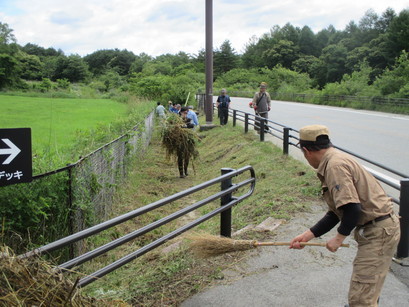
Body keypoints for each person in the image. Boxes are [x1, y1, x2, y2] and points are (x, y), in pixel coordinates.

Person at [289, 125, 400, 307]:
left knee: (360, 299)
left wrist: (339, 238)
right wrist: (308, 235)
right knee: (368, 290)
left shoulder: (335, 166)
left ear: (306, 151)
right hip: (381, 228)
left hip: (378, 232)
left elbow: (352, 209)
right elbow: (337, 212)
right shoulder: (336, 158)